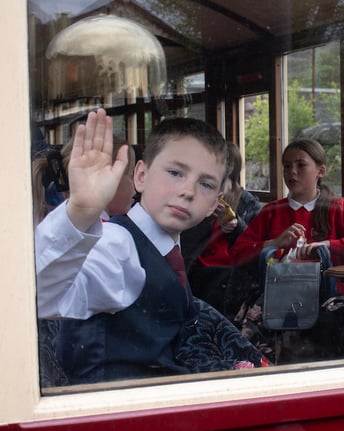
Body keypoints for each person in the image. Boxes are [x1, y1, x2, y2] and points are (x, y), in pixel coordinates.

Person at [34, 108, 263, 384]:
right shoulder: (118, 245)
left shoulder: (169, 250)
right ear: (140, 176)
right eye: (176, 172)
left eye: (205, 184)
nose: (188, 191)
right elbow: (42, 296)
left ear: (214, 204)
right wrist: (80, 212)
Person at [231, 139, 344, 361]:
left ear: (321, 171)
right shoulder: (272, 211)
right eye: (287, 166)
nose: (292, 172)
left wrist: (326, 245)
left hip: (327, 299)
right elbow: (238, 253)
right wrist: (275, 243)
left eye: (301, 165)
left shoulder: (337, 208)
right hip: (277, 300)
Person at [180, 141, 263, 319]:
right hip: (196, 273)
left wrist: (236, 226)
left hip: (229, 279)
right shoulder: (194, 196)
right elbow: (183, 239)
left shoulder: (248, 202)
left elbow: (256, 245)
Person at [32, 134, 136, 223]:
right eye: (130, 174)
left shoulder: (63, 225)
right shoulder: (109, 236)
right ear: (105, 179)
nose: (135, 183)